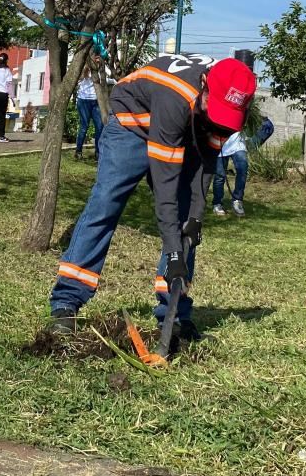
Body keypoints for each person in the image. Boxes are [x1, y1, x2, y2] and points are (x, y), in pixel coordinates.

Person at [48, 54, 257, 339]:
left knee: (187, 224)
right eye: (214, 106)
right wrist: (173, 250)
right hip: (132, 123)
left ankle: (174, 314)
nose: (218, 116)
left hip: (184, 125)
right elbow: (165, 188)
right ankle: (66, 302)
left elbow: (206, 166)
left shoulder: (231, 104)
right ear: (204, 83)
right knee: (106, 203)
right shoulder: (175, 96)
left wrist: (195, 218)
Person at [211, 130, 248, 217]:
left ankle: (237, 200)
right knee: (219, 175)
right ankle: (217, 203)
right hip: (220, 143)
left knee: (242, 169)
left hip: (237, 142)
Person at [74, 60, 102, 161]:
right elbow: (79, 78)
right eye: (96, 58)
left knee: (100, 126)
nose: (98, 60)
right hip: (83, 101)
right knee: (84, 126)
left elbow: (107, 79)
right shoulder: (85, 69)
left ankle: (98, 153)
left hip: (95, 102)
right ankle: (78, 151)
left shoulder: (102, 69)